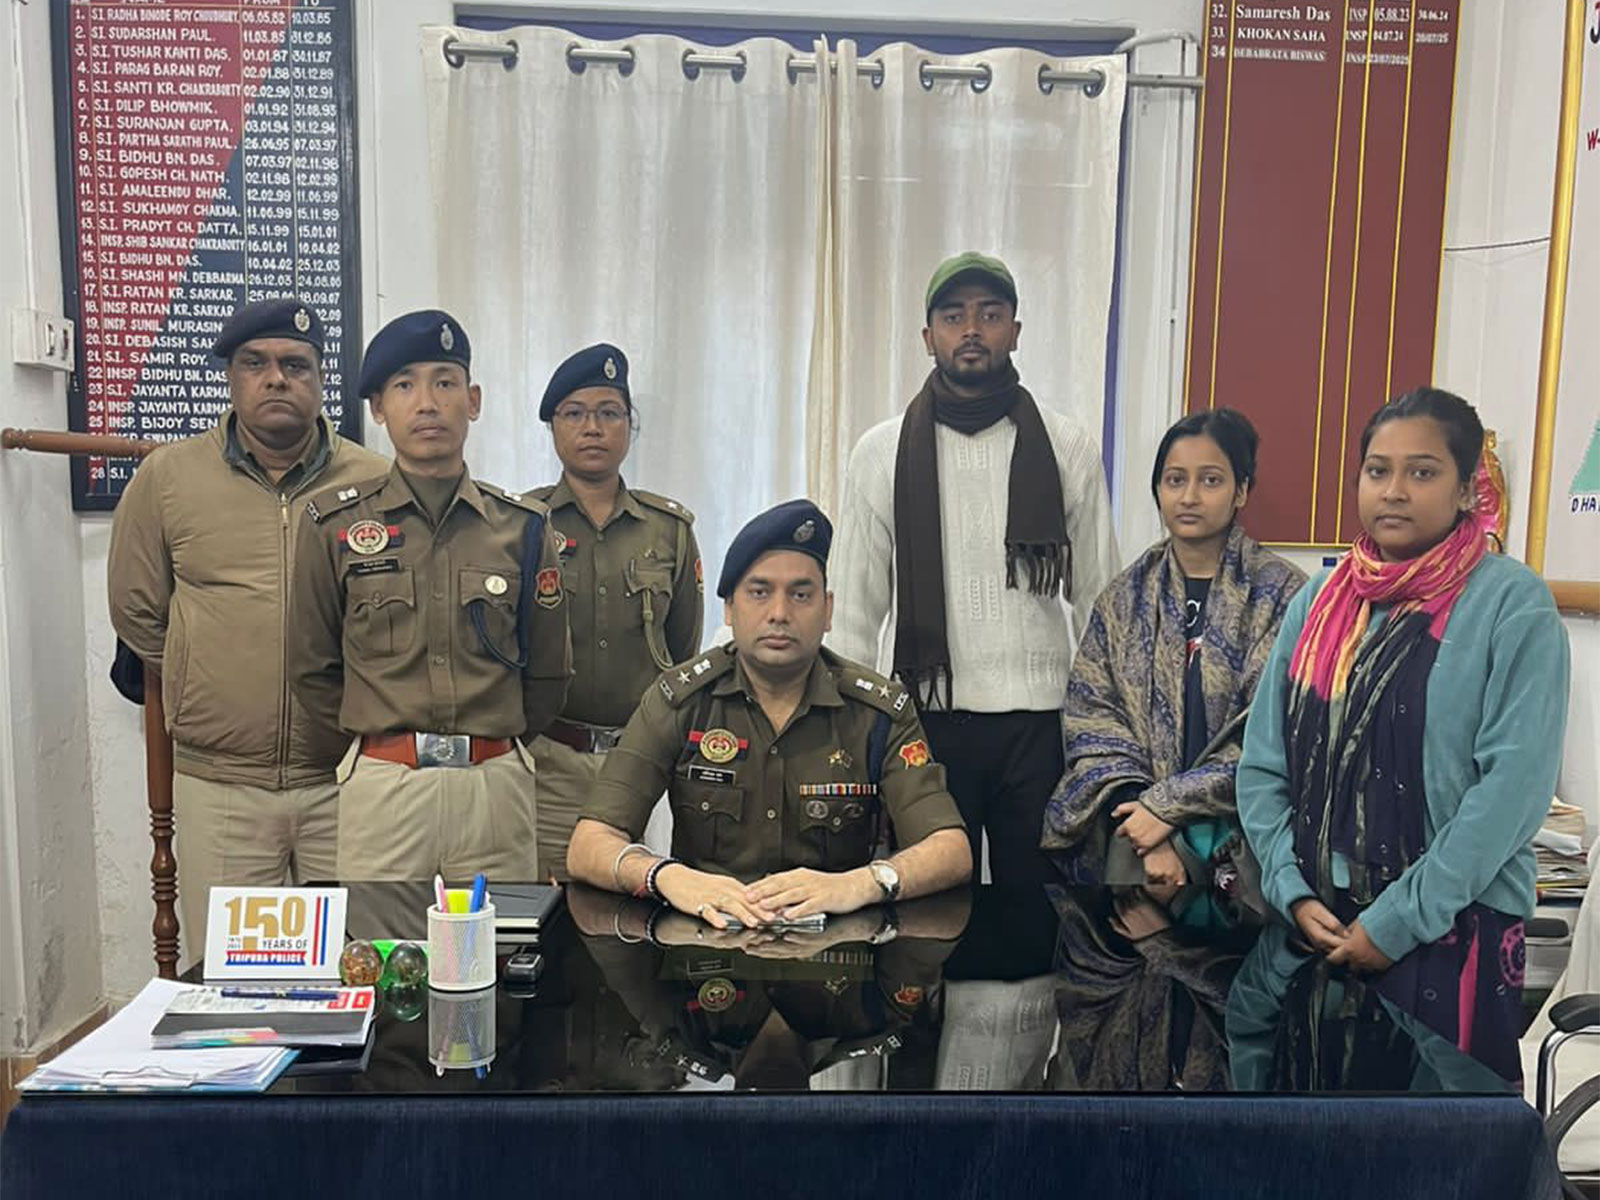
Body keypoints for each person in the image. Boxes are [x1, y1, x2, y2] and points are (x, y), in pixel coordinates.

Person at [1237, 387, 1570, 1083]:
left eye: (1422, 472)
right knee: (1303, 1149)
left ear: (1465, 489)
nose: (1394, 491)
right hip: (1316, 929)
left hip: (1453, 937)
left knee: (1437, 1157)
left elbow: (1510, 794)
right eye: (1377, 470)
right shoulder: (1320, 605)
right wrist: (1291, 889)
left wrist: (1393, 925)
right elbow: (1264, 768)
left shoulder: (1512, 604)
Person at [829, 251, 1119, 887]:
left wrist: (1104, 737)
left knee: (1036, 909)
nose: (971, 330)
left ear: (1015, 331)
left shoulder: (1065, 445)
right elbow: (852, 607)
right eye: (954, 315)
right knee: (928, 911)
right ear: (928, 336)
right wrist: (847, 736)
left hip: (1041, 726)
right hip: (924, 720)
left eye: (990, 314)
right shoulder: (880, 452)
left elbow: (1102, 603)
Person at [108, 297, 387, 954]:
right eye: (254, 363)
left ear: (321, 381)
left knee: (356, 981)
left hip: (348, 782)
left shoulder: (376, 482)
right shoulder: (169, 478)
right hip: (223, 789)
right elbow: (137, 607)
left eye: (296, 364)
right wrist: (199, 667)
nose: (276, 378)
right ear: (230, 378)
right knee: (235, 999)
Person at [567, 499, 971, 926]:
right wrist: (664, 875)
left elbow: (950, 848)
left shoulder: (877, 711)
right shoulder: (680, 701)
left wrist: (862, 883)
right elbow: (589, 844)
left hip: (836, 952)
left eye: (800, 595)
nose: (779, 613)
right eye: (759, 593)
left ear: (828, 610)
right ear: (729, 608)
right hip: (707, 949)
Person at [290, 310, 572, 881]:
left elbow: (549, 675)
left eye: (444, 382)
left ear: (472, 400)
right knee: (380, 960)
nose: (426, 402)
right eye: (404, 385)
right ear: (377, 409)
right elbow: (312, 670)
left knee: (500, 959)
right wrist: (378, 745)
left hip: (493, 791)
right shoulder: (332, 526)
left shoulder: (523, 528)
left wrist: (492, 746)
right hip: (385, 790)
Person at [1042, 409, 1305, 890]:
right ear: (1157, 491)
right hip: (1134, 831)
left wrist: (1168, 808)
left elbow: (1275, 731)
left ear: (1241, 491)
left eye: (1210, 480)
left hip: (1246, 838)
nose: (1189, 496)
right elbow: (1091, 719)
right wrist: (1147, 821)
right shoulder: (1122, 599)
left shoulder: (1284, 595)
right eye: (1174, 480)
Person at [527, 343, 703, 879]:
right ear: (553, 428)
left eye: (609, 413)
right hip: (548, 758)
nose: (593, 427)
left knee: (628, 907)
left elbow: (682, 651)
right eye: (575, 414)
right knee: (547, 910)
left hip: (637, 761)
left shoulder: (667, 529)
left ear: (630, 425)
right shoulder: (521, 525)